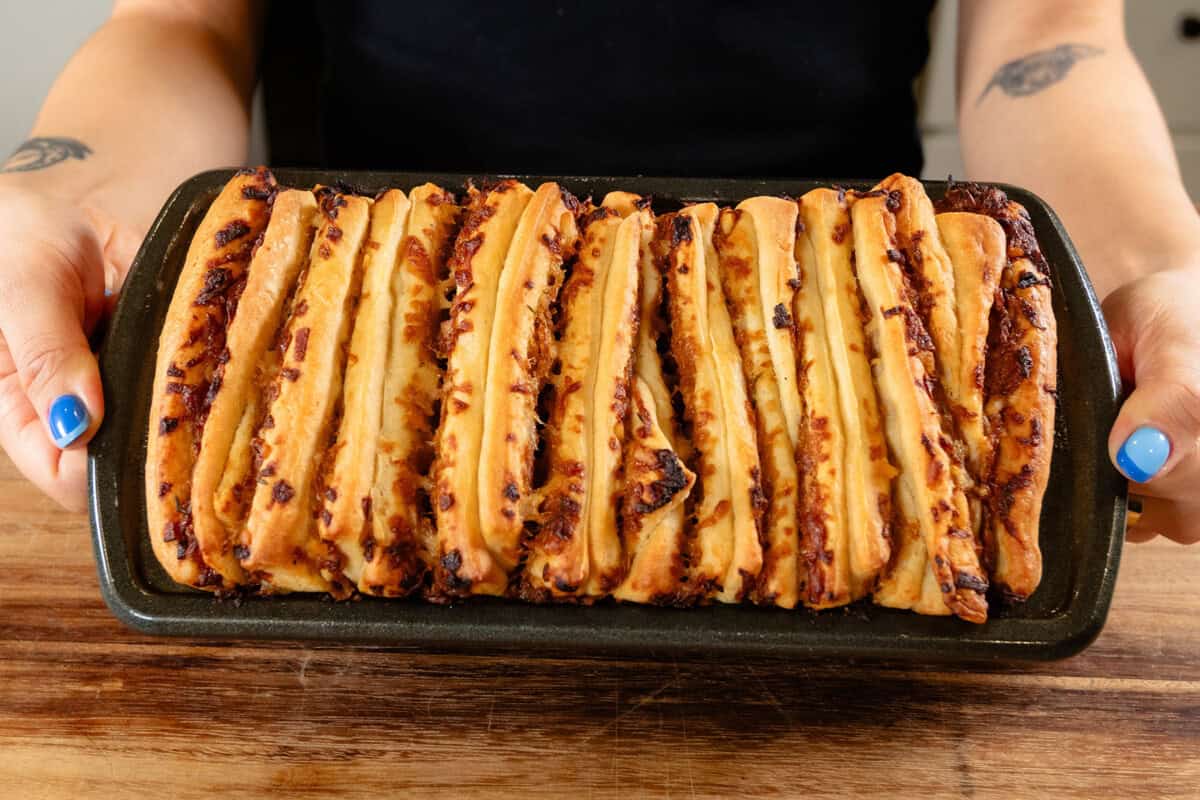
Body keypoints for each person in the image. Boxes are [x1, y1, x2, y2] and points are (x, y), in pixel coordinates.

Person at [0, 1, 1196, 545]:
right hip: (370, 334)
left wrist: (1147, 266)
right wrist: (67, 190)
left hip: (840, 333)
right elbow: (184, 23)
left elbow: (1045, 35)